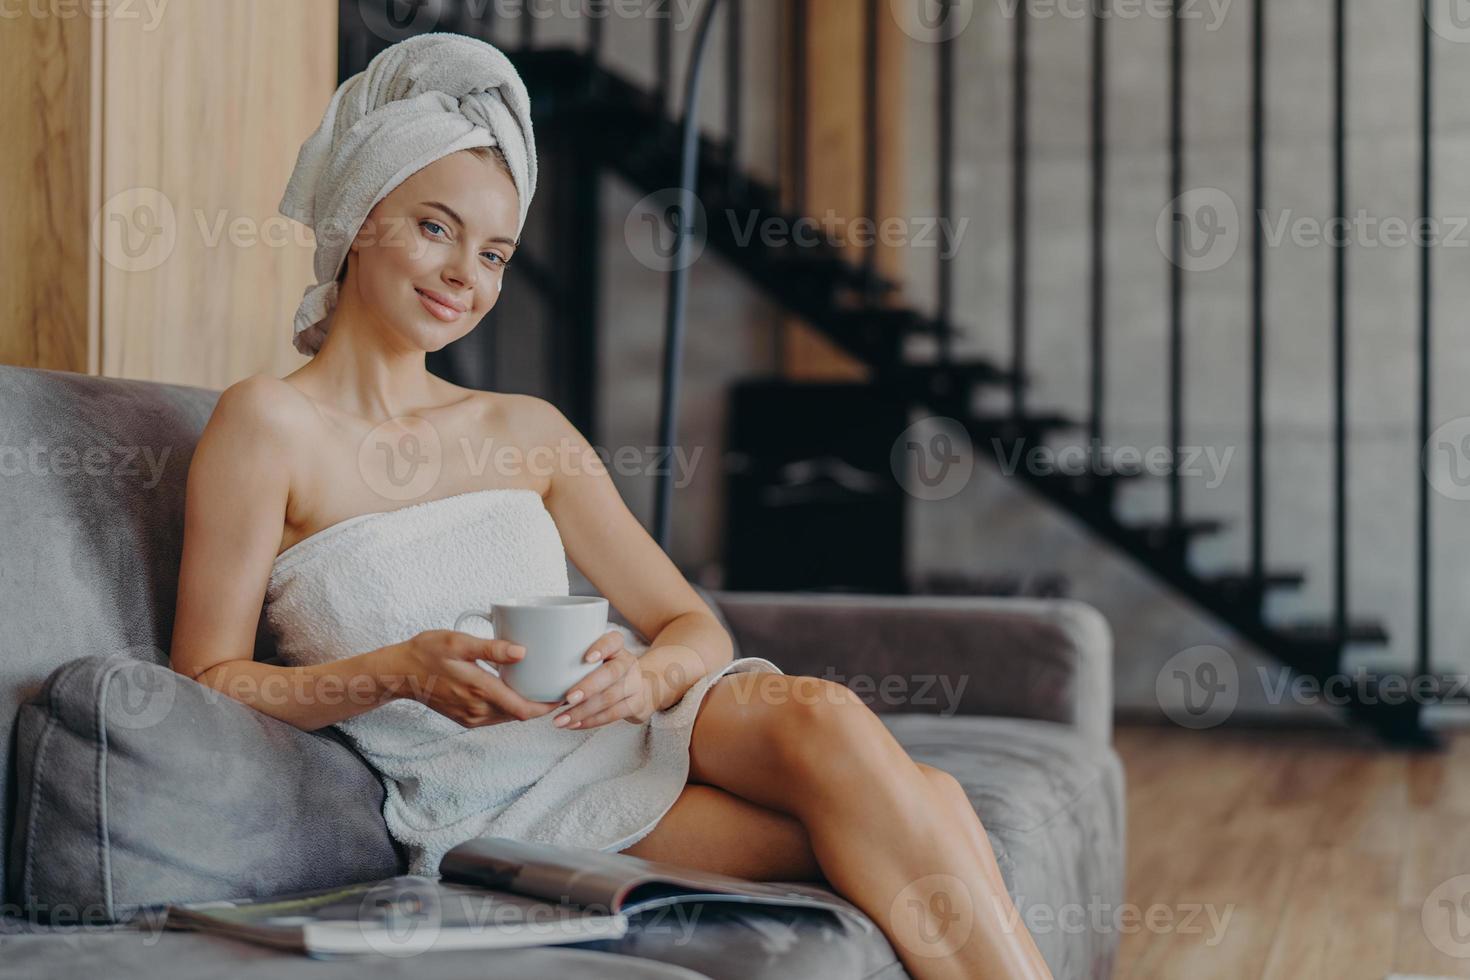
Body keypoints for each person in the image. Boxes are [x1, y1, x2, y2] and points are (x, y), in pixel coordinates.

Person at [167, 32, 1052, 980]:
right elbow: (205, 678)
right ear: (358, 214)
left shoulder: (529, 429)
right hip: (507, 804)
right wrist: (395, 672)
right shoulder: (267, 424)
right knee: (926, 807)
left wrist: (650, 678)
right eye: (436, 228)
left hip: (640, 720)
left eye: (497, 252)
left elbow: (690, 625)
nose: (468, 274)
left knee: (827, 718)